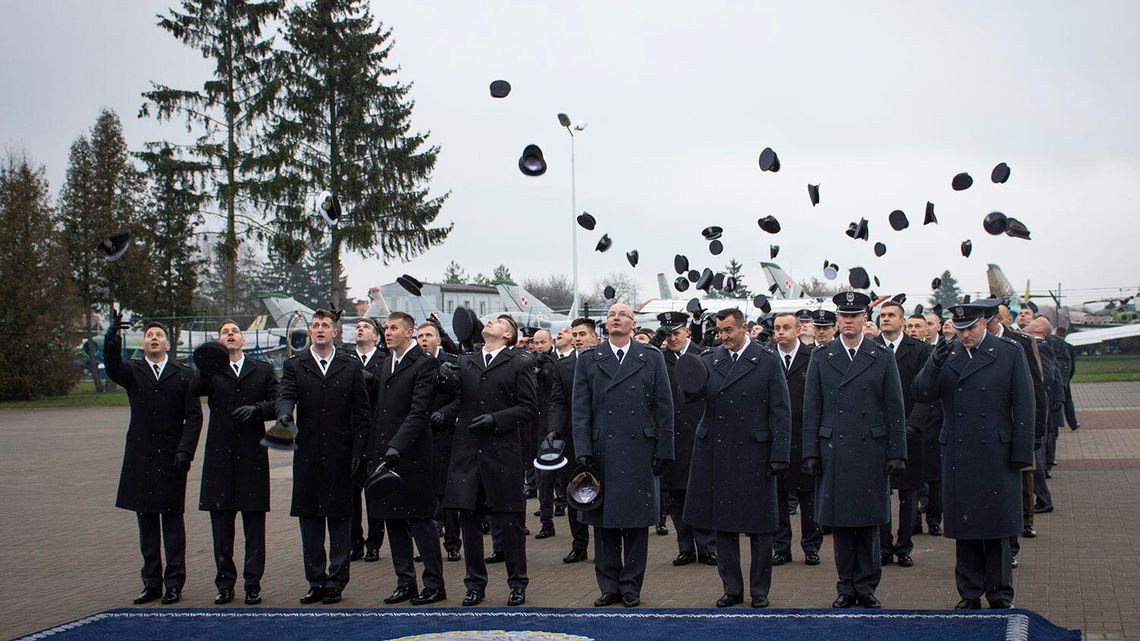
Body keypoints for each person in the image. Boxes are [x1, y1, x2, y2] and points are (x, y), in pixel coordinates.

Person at [913, 303, 1035, 609]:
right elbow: (921, 394)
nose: (964, 335)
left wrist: (1022, 452)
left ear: (984, 324)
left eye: (970, 328)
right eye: (960, 328)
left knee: (997, 528)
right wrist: (933, 365)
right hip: (958, 451)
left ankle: (999, 593)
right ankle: (969, 593)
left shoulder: (1008, 352)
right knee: (965, 529)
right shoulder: (947, 355)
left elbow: (1024, 404)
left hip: (996, 451)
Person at [803, 291, 906, 609]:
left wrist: (896, 451)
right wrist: (810, 451)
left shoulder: (881, 355)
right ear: (837, 320)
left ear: (865, 319)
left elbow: (894, 406)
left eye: (854, 316)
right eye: (843, 316)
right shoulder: (822, 357)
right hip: (834, 448)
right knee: (842, 524)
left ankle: (867, 585)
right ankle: (846, 585)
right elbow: (812, 408)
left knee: (870, 523)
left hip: (871, 448)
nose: (848, 321)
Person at [685, 308, 792, 608]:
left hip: (755, 452)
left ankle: (760, 590)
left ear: (744, 328)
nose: (724, 337)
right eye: (720, 331)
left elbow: (781, 411)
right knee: (725, 526)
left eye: (729, 330)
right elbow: (691, 396)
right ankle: (732, 588)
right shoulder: (709, 360)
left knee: (760, 527)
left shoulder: (767, 360)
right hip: (717, 452)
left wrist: (779, 454)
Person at [573, 303, 674, 608]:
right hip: (602, 450)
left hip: (638, 450)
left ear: (633, 323)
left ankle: (631, 585)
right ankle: (608, 586)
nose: (615, 318)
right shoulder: (590, 359)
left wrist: (663, 449)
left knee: (634, 522)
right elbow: (580, 409)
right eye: (611, 315)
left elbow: (664, 406)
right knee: (603, 523)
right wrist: (583, 450)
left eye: (622, 315)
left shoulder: (651, 358)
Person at [439, 314, 537, 607]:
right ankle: (474, 584)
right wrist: (444, 408)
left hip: (501, 454)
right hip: (468, 452)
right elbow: (461, 399)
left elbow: (529, 407)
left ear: (508, 336)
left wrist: (496, 419)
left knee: (510, 522)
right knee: (468, 520)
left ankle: (517, 583)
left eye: (498, 322)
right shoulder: (467, 360)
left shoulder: (518, 362)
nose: (490, 322)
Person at [276, 309, 372, 605]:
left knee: (340, 519)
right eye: (315, 326)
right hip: (308, 454)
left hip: (342, 454)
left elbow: (363, 415)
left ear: (335, 332)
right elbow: (286, 394)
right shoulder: (296, 365)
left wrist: (359, 452)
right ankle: (316, 580)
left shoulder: (350, 366)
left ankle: (336, 581)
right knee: (310, 519)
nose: (319, 330)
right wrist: (283, 414)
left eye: (325, 326)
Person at [104, 316, 202, 605]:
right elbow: (112, 367)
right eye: (149, 335)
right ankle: (151, 582)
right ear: (144, 343)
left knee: (172, 523)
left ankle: (174, 582)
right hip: (141, 459)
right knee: (146, 524)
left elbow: (194, 417)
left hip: (172, 459)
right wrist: (112, 340)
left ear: (168, 343)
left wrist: (185, 452)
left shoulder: (184, 375)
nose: (154, 338)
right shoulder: (133, 371)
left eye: (159, 334)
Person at [194, 320, 279, 605]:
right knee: (221, 526)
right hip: (219, 458)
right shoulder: (211, 372)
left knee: (254, 526)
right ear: (219, 340)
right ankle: (225, 584)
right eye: (224, 332)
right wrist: (209, 363)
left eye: (234, 331)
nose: (230, 334)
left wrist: (257, 410)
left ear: (243, 340)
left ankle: (253, 583)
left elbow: (279, 402)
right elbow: (195, 390)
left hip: (252, 456)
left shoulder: (263, 370)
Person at [365, 312, 446, 605]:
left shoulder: (425, 363)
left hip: (412, 454)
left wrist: (397, 446)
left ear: (409, 332)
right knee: (393, 520)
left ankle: (434, 584)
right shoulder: (388, 363)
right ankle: (405, 583)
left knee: (421, 521)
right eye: (386, 328)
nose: (387, 333)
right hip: (387, 453)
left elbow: (419, 411)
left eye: (394, 328)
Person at [874, 301, 934, 568]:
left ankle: (904, 545)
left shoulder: (919, 350)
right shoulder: (871, 349)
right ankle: (884, 546)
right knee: (881, 490)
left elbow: (927, 393)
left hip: (911, 430)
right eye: (882, 315)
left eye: (891, 315)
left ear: (902, 321)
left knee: (908, 492)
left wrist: (913, 425)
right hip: (878, 432)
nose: (885, 319)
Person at [657, 311, 716, 567]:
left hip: (698, 434)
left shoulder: (704, 356)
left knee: (701, 493)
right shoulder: (659, 359)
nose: (672, 339)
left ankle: (707, 547)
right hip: (671, 435)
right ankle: (684, 547)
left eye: (676, 333)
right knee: (676, 496)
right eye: (667, 334)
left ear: (688, 331)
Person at [772, 312, 822, 567]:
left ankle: (811, 546)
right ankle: (781, 547)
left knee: (808, 498)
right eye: (777, 328)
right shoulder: (767, 358)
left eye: (786, 327)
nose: (781, 332)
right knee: (778, 497)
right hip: (777, 438)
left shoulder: (812, 357)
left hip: (804, 436)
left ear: (798, 329)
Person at [548, 321, 592, 563]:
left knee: (600, 490)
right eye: (574, 334)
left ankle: (605, 543)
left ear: (594, 336)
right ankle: (579, 544)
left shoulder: (601, 361)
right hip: (571, 437)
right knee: (574, 491)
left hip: (598, 437)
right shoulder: (562, 366)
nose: (577, 338)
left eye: (582, 334)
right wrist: (553, 429)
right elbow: (557, 401)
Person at [418, 322, 462, 562]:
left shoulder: (452, 362)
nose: (424, 339)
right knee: (424, 493)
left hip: (444, 435)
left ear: (438, 339)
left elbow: (463, 397)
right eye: (420, 336)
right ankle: (427, 544)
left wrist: (446, 412)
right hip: (420, 434)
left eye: (428, 335)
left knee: (446, 494)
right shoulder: (413, 364)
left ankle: (453, 543)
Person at [352, 318, 386, 563]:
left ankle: (374, 543)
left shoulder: (384, 361)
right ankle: (355, 542)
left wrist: (373, 382)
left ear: (375, 336)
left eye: (365, 327)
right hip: (351, 435)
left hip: (376, 434)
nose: (360, 329)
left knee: (374, 493)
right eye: (357, 327)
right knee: (351, 494)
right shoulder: (345, 361)